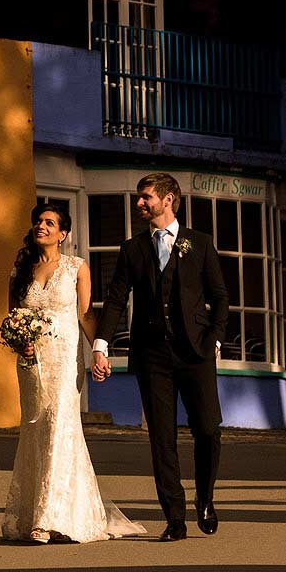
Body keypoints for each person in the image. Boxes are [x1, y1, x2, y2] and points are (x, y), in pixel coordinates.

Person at [0, 201, 149, 544]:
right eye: (39, 221)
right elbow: (13, 318)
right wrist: (18, 341)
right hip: (30, 362)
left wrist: (99, 350)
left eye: (50, 223)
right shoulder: (21, 268)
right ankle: (33, 514)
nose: (42, 226)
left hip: (65, 362)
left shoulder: (76, 268)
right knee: (35, 431)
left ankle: (46, 520)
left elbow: (84, 315)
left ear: (63, 234)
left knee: (59, 429)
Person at [91, 173, 229, 541]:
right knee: (162, 438)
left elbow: (220, 298)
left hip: (196, 353)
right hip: (153, 355)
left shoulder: (199, 243)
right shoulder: (133, 249)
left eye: (145, 197)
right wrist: (100, 345)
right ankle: (175, 517)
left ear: (168, 200)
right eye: (139, 197)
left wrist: (214, 340)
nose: (139, 203)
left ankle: (205, 499)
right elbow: (117, 299)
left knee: (208, 430)